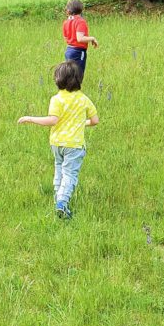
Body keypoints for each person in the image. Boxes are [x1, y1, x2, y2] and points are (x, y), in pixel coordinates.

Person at [17, 61, 99, 219]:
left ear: (58, 79)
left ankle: (57, 196)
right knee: (70, 174)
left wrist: (30, 118)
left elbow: (53, 120)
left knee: (59, 169)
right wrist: (81, 124)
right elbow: (95, 120)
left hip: (56, 143)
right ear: (78, 79)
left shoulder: (56, 99)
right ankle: (62, 202)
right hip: (74, 145)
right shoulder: (84, 100)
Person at [62, 0, 98, 77]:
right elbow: (80, 38)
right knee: (78, 75)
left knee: (70, 74)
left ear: (68, 10)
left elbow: (65, 38)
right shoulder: (80, 21)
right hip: (78, 52)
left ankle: (68, 88)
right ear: (81, 9)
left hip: (68, 50)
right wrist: (92, 38)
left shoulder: (66, 22)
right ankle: (76, 89)